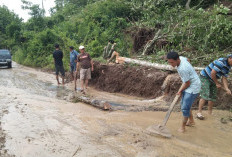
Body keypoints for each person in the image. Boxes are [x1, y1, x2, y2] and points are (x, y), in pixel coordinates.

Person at [167, 51, 201, 133]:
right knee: (185, 104)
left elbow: (187, 83)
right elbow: (187, 59)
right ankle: (191, 121)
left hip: (193, 86)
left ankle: (183, 127)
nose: (171, 64)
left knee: (185, 107)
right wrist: (191, 70)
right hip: (190, 83)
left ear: (177, 59)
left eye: (172, 62)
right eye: (169, 62)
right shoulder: (181, 58)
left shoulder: (183, 69)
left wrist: (180, 90)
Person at [197, 54, 232, 120]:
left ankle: (209, 113)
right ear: (230, 58)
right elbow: (212, 73)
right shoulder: (221, 62)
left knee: (213, 96)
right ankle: (199, 113)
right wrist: (217, 83)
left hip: (213, 79)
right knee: (205, 94)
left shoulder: (229, 67)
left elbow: (224, 78)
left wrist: (227, 89)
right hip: (205, 77)